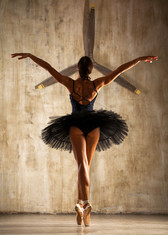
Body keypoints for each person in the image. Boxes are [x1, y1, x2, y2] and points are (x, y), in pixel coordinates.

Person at [11, 53, 158, 226]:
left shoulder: (70, 83)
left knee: (81, 165)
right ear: (90, 69)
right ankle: (83, 205)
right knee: (86, 166)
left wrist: (30, 56)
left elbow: (49, 68)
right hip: (94, 126)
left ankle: (84, 203)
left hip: (75, 125)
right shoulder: (98, 83)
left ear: (78, 68)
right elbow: (119, 70)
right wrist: (138, 59)